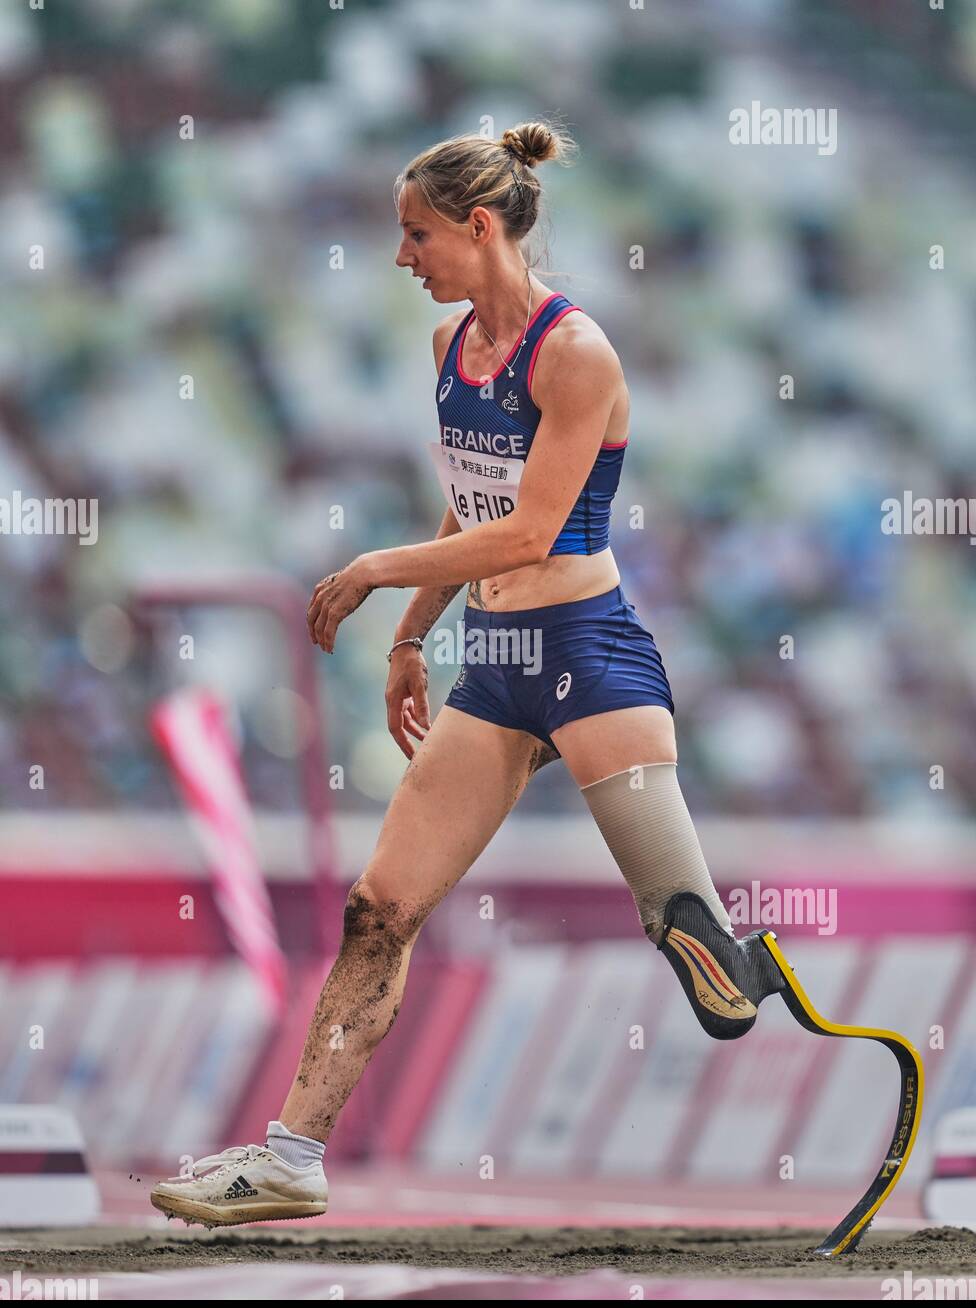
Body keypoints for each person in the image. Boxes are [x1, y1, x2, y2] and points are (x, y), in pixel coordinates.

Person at [150, 119, 785, 1230]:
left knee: (705, 970)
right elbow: (474, 493)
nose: (402, 258)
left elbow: (534, 529)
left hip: (589, 652)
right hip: (495, 664)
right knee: (376, 910)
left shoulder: (575, 351)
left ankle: (752, 964)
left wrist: (376, 569)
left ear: (479, 225)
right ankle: (291, 1158)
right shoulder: (451, 347)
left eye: (416, 235)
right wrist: (412, 634)